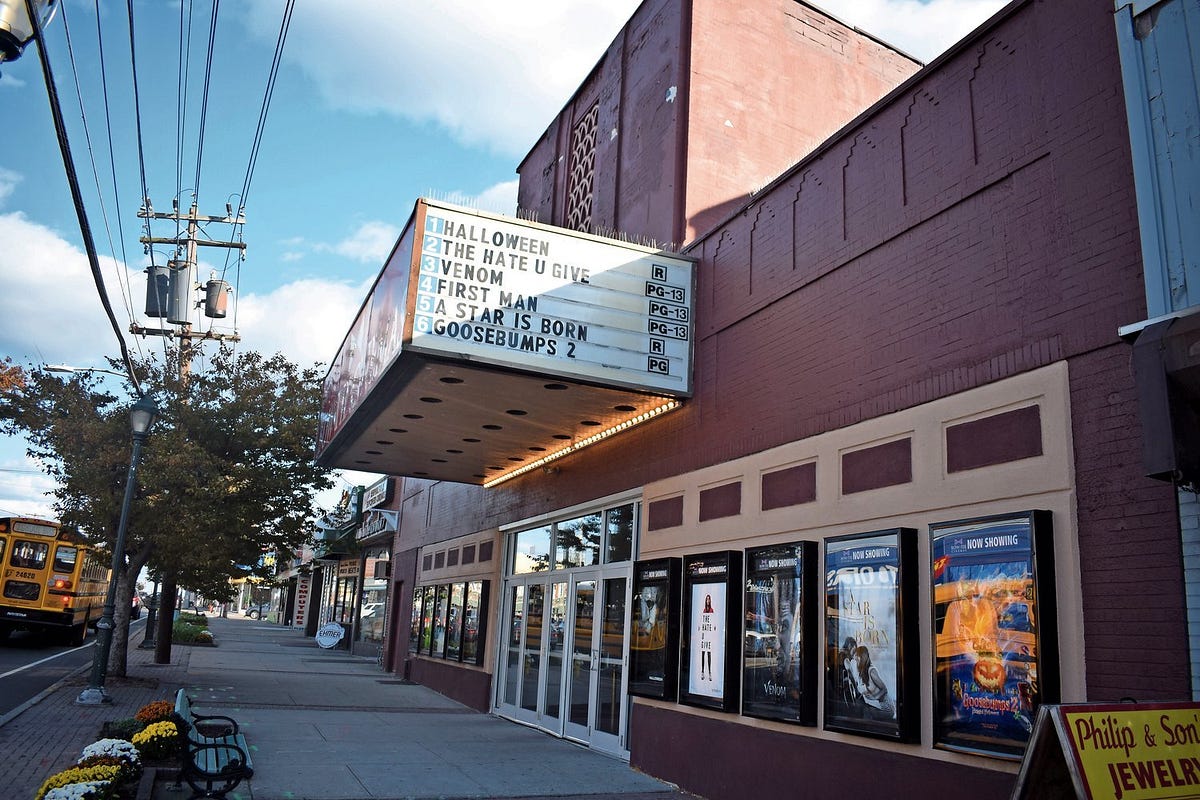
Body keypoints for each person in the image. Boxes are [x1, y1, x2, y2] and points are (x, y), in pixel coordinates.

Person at [853, 645, 896, 719]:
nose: (855, 658)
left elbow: (884, 689)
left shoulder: (871, 671)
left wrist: (874, 697)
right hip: (874, 705)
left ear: (863, 657)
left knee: (866, 711)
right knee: (861, 708)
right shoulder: (862, 672)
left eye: (857, 656)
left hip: (885, 708)